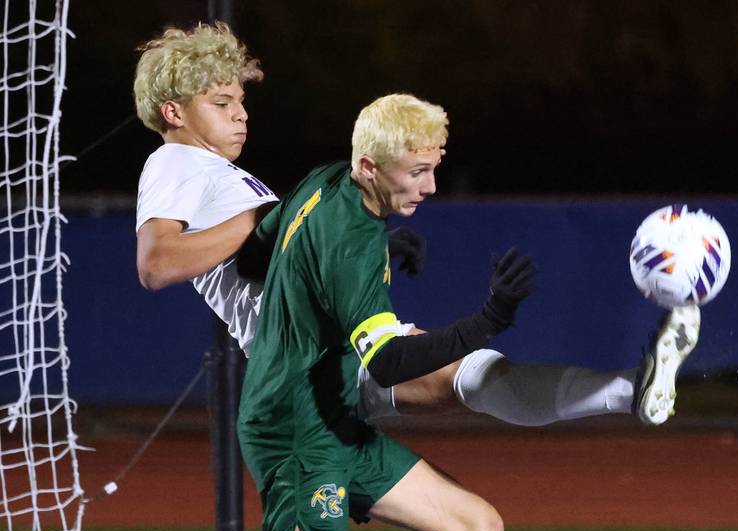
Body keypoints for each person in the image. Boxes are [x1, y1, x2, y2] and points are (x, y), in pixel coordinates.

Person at [133, 22, 701, 436]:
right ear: (176, 115)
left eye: (240, 100)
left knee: (472, 458)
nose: (241, 113)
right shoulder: (176, 162)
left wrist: (360, 238)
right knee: (469, 385)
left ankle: (631, 390)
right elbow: (157, 263)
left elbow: (284, 251)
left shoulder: (217, 174)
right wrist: (272, 219)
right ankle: (629, 389)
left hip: (321, 347)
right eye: (221, 102)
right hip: (307, 360)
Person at [237, 92, 534, 531]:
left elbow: (255, 256)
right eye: (417, 172)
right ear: (371, 166)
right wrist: (490, 320)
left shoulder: (326, 178)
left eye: (433, 168)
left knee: (476, 528)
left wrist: (377, 250)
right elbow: (390, 363)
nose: (431, 185)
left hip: (330, 419)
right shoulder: (353, 244)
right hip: (291, 427)